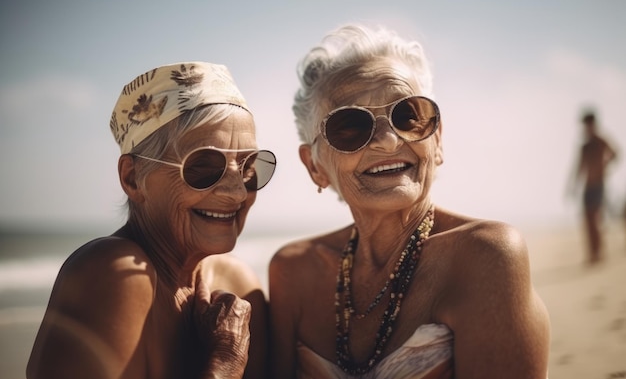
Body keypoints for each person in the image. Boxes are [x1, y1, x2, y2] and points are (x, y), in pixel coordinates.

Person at [269, 24, 550, 378]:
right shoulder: (294, 271)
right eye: (350, 125)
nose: (388, 141)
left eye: (408, 116)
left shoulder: (486, 255)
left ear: (438, 139)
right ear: (314, 166)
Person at [27, 62, 277, 379]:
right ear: (133, 179)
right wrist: (225, 362)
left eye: (249, 167)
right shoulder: (117, 271)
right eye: (203, 167)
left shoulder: (239, 284)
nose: (237, 191)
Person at [571, 110, 618, 263]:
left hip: (598, 184)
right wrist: (573, 185)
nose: (587, 128)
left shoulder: (600, 141)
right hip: (588, 186)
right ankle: (592, 252)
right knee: (588, 219)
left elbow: (616, 153)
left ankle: (599, 252)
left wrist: (604, 166)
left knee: (595, 216)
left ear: (593, 124)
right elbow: (579, 167)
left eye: (588, 124)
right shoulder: (585, 146)